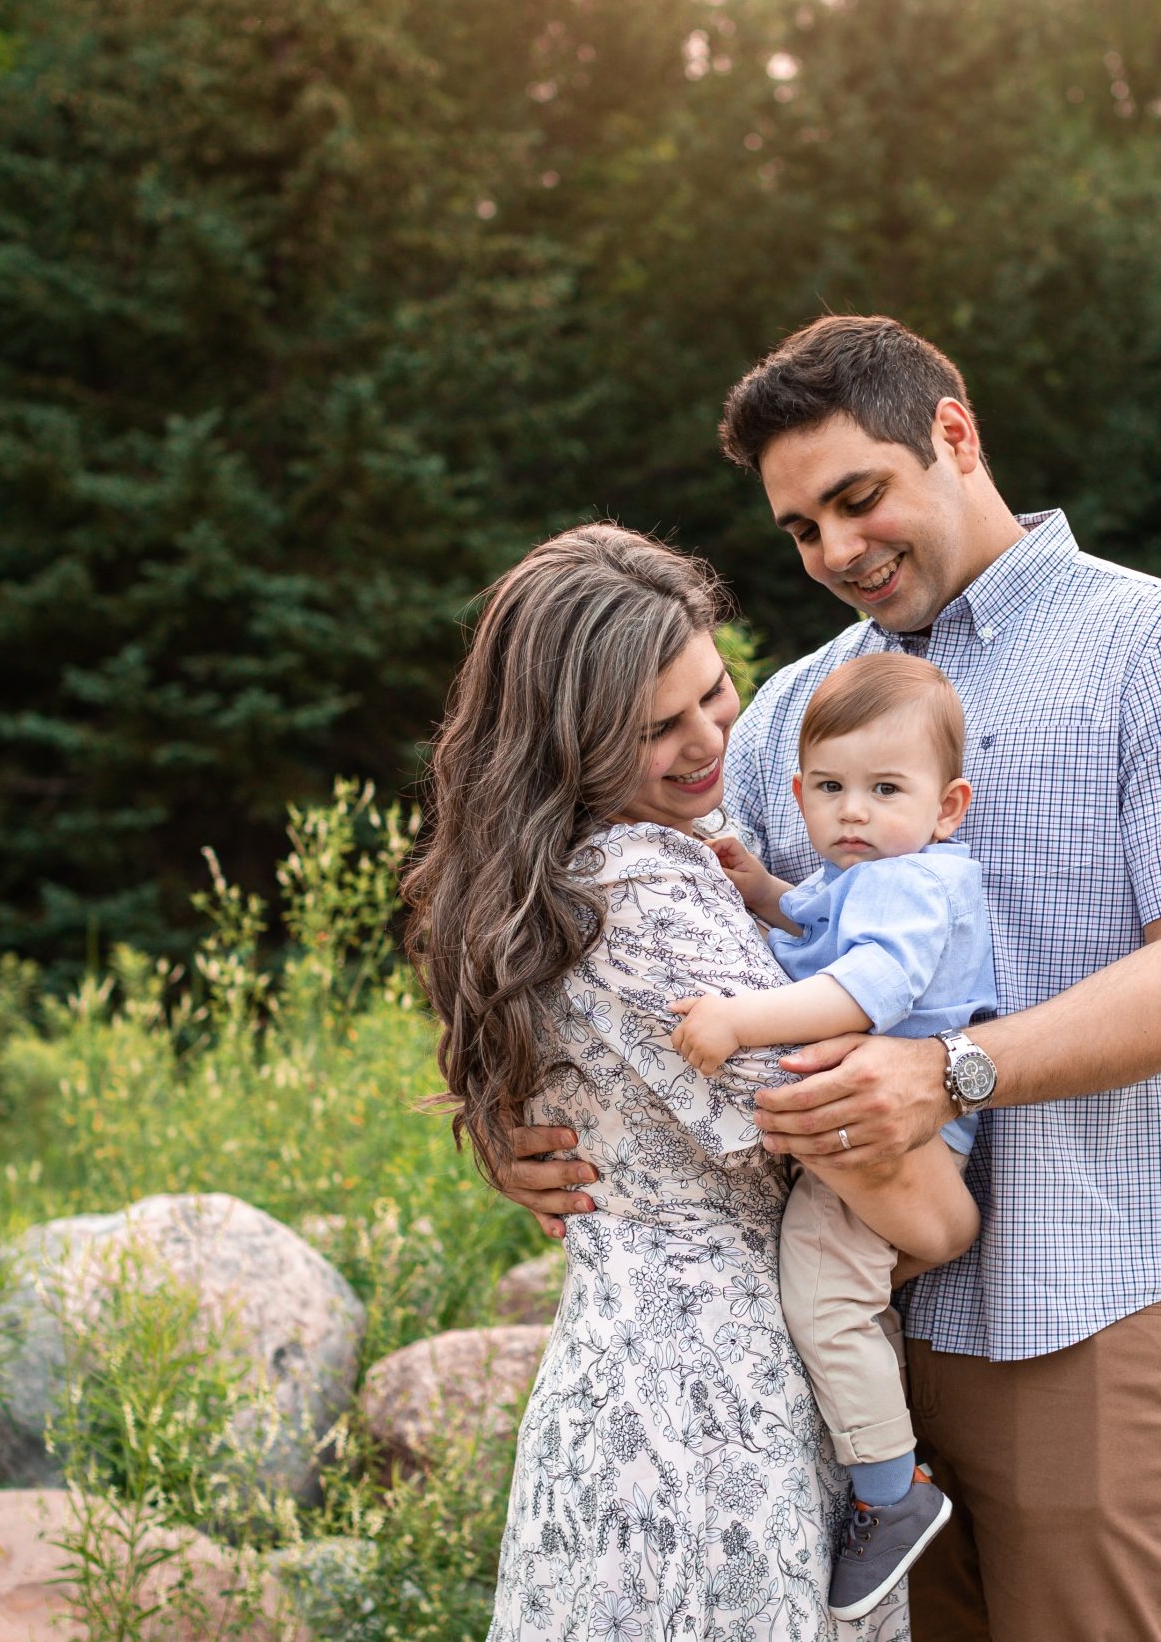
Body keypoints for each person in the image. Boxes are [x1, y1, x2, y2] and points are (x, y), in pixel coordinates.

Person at [493, 316, 1161, 1642]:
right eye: (801, 528)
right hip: (836, 1335)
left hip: (1086, 1303)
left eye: (857, 497)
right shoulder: (779, 719)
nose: (835, 550)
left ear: (954, 432)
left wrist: (949, 1069)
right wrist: (526, 1135)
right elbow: (625, 946)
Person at [404, 523, 976, 1640]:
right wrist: (947, 1205)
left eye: (714, 692)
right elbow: (857, 1151)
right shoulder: (640, 884)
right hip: (711, 1412)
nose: (708, 739)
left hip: (644, 1384)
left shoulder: (569, 870)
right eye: (656, 729)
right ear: (563, 745)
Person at [668, 651, 997, 1621]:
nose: (852, 812)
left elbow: (864, 993)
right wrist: (760, 883)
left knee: (822, 1294)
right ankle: (884, 1471)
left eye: (883, 789)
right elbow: (801, 918)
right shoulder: (867, 874)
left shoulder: (914, 888)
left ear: (946, 808)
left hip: (901, 1141)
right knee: (842, 1294)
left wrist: (735, 1021)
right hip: (872, 1136)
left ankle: (890, 1495)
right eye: (830, 789)